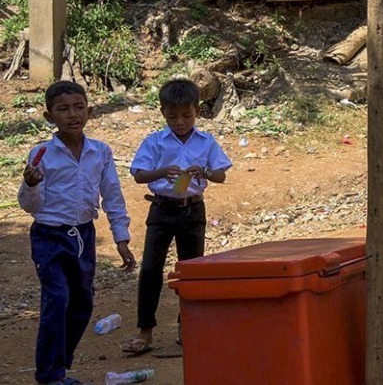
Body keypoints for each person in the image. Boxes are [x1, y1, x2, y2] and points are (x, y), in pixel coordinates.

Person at [18, 81, 135, 385]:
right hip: (49, 236)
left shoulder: (100, 152)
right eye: (63, 109)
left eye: (79, 107)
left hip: (84, 236)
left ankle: (61, 364)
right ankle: (50, 374)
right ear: (49, 117)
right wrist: (30, 184)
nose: (73, 115)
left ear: (90, 111)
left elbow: (112, 195)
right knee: (57, 299)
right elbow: (31, 206)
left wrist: (121, 237)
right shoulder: (42, 153)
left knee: (83, 303)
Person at [122, 79, 232, 354]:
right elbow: (138, 174)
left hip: (193, 210)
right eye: (173, 117)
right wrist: (161, 171)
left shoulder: (206, 142)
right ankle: (144, 331)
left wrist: (203, 172)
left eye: (186, 116)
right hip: (161, 209)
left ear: (197, 111)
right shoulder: (155, 142)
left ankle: (188, 326)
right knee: (149, 270)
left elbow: (221, 174)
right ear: (163, 113)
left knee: (191, 271)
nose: (180, 122)